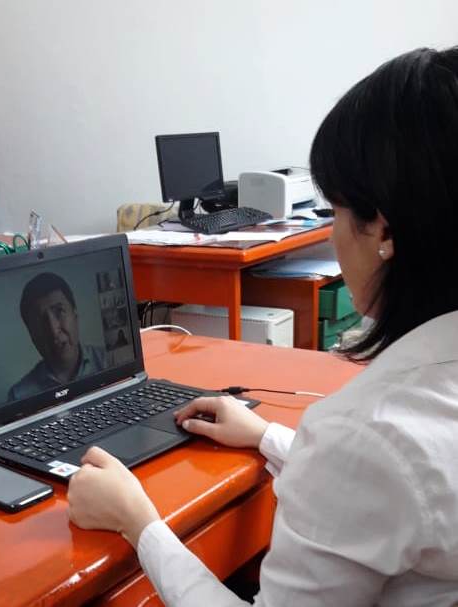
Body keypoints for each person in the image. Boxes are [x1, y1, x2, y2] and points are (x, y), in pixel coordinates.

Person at [66, 47, 458, 606]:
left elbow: (377, 469)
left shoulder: (368, 433)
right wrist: (266, 436)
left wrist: (139, 523)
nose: (330, 236)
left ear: (385, 232)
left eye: (337, 212)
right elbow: (392, 495)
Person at [8, 272, 107, 401]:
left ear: (75, 315)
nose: (53, 330)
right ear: (31, 336)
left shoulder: (109, 361)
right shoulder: (19, 396)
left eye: (59, 311)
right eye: (40, 321)